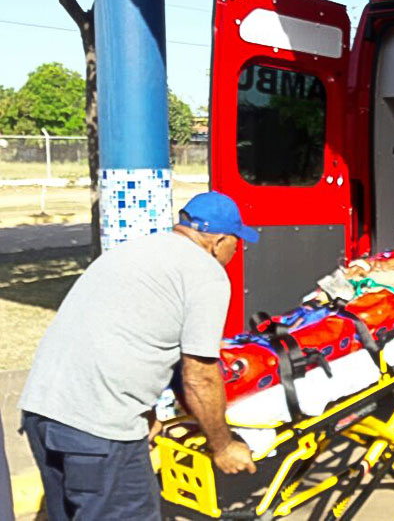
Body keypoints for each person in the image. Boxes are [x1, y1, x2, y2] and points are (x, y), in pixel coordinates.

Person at [19, 191, 259, 521]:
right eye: (236, 241)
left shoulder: (134, 251)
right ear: (219, 241)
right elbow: (200, 376)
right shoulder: (206, 273)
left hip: (41, 412)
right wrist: (223, 445)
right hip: (99, 431)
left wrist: (146, 411)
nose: (237, 250)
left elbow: (123, 337)